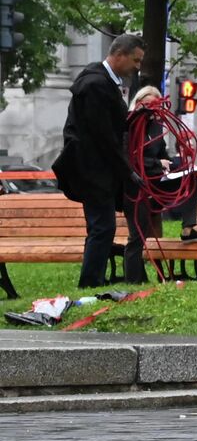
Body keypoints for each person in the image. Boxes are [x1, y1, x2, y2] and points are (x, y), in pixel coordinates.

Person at [52, 34, 145, 287]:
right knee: (102, 227)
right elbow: (103, 136)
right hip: (93, 170)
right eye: (135, 60)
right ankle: (91, 282)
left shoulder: (100, 82)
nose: (137, 67)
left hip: (94, 169)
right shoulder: (96, 85)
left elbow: (108, 128)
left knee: (100, 227)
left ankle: (93, 279)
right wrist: (127, 172)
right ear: (120, 55)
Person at [128, 86, 197, 245]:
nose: (151, 111)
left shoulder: (156, 126)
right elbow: (130, 159)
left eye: (155, 106)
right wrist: (157, 163)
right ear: (138, 104)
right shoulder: (129, 126)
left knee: (191, 177)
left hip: (157, 181)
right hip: (139, 186)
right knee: (136, 238)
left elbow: (161, 153)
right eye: (147, 106)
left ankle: (188, 229)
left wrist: (175, 164)